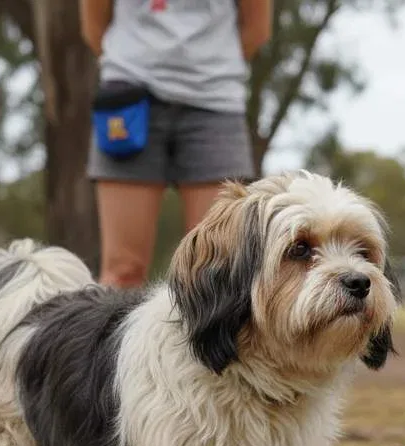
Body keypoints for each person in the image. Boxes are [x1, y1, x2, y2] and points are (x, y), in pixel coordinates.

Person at [81, 0, 272, 289]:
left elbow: (257, 29)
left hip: (215, 105)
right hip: (130, 101)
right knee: (122, 271)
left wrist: (205, 73)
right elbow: (93, 26)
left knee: (215, 270)